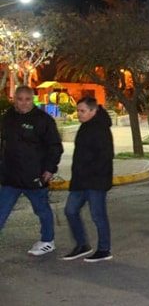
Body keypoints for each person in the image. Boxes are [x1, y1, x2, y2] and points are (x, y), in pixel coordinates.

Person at [0, 85, 64, 257]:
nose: (23, 103)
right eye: (20, 99)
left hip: (34, 177)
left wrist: (50, 169)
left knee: (42, 210)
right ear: (14, 99)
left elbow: (55, 147)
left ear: (32, 99)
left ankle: (47, 241)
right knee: (1, 210)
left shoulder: (43, 120)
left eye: (27, 99)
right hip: (10, 177)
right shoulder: (7, 118)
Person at [61, 97, 114, 263]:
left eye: (82, 111)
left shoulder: (101, 129)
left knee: (98, 216)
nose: (79, 114)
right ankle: (82, 244)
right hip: (80, 181)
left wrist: (92, 174)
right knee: (70, 210)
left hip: (95, 181)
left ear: (93, 111)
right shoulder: (85, 127)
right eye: (78, 110)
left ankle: (104, 249)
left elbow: (105, 157)